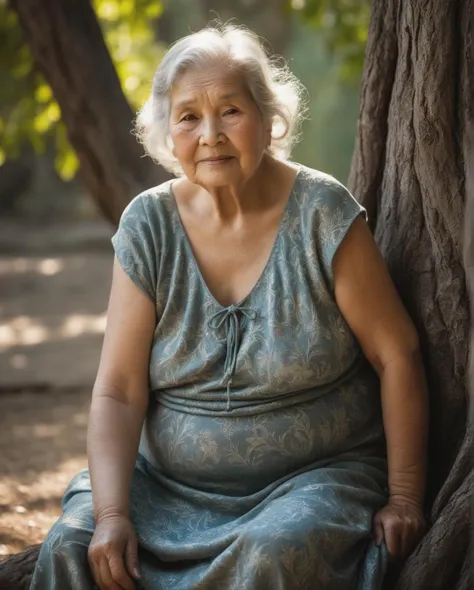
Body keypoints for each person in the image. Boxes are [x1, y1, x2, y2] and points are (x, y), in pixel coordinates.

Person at [29, 24, 428, 590]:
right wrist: (113, 516)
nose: (210, 133)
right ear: (169, 132)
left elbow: (398, 355)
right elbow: (117, 389)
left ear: (270, 120)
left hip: (312, 480)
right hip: (167, 486)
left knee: (271, 553)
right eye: (188, 116)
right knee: (74, 543)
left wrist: (406, 494)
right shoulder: (149, 225)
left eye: (231, 111)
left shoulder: (322, 214)